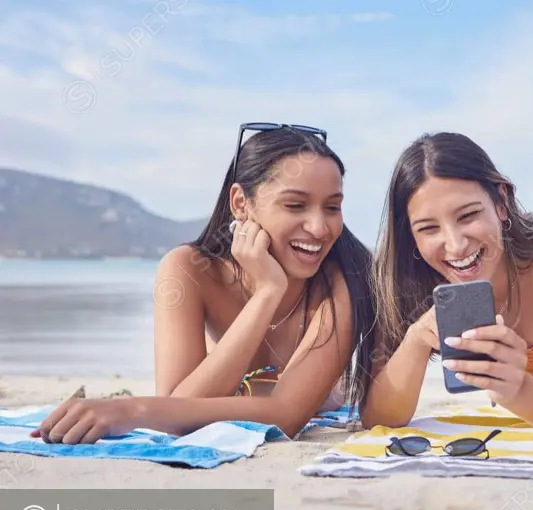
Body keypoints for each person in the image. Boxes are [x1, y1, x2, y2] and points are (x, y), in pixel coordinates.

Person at [32, 123, 376, 444]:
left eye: (332, 207)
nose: (319, 227)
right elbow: (176, 405)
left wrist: (132, 409)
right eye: (295, 205)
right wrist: (267, 294)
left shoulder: (345, 277)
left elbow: (286, 416)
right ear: (241, 203)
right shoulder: (188, 270)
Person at [362, 132, 533, 443]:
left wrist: (518, 389)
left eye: (468, 216)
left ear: (501, 202)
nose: (455, 246)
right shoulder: (414, 281)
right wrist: (417, 339)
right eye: (429, 229)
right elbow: (379, 421)